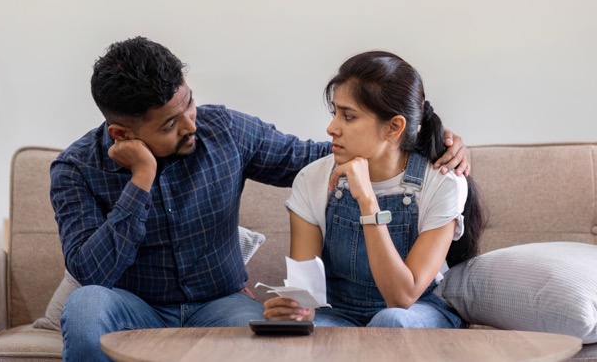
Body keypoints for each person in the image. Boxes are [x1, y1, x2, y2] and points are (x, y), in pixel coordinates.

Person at [50, 37, 470, 360]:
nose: (191, 124)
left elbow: (320, 158)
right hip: (134, 306)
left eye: (189, 102)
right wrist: (141, 181)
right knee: (85, 306)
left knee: (271, 343)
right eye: (171, 124)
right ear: (123, 133)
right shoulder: (75, 170)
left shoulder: (226, 132)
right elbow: (91, 270)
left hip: (220, 306)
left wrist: (424, 143)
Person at [263, 50, 486, 328]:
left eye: (348, 116)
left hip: (417, 311)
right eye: (335, 113)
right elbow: (306, 300)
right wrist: (294, 312)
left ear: (394, 127)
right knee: (306, 335)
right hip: (338, 313)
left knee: (391, 321)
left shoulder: (442, 182)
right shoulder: (312, 179)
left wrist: (367, 199)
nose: (332, 127)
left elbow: (402, 297)